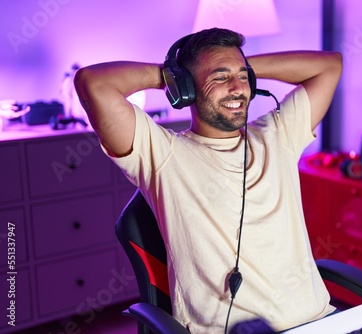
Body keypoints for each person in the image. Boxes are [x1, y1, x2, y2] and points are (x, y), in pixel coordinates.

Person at [74, 28, 342, 333]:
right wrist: (172, 76)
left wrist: (240, 66)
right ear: (186, 88)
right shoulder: (161, 155)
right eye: (220, 77)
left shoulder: (279, 134)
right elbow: (92, 83)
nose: (238, 89)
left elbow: (329, 65)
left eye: (243, 77)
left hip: (320, 322)